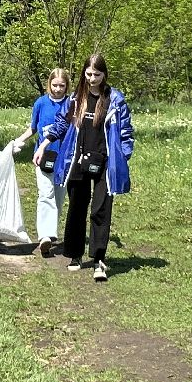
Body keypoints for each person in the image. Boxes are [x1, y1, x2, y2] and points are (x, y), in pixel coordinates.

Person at [35, 54, 134, 282]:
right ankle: (75, 255)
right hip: (77, 161)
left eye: (97, 75)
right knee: (77, 208)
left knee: (100, 211)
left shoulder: (115, 100)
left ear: (104, 74)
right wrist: (44, 144)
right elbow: (61, 123)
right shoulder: (75, 99)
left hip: (104, 164)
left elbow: (126, 132)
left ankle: (99, 259)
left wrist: (122, 158)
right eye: (88, 74)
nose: (92, 79)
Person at [9, 68, 71, 257]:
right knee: (45, 194)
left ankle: (51, 232)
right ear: (48, 85)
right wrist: (17, 141)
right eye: (55, 85)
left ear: (67, 86)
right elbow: (33, 128)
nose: (58, 89)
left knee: (58, 198)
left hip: (64, 158)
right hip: (43, 156)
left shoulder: (71, 104)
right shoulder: (41, 103)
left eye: (62, 85)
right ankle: (45, 235)